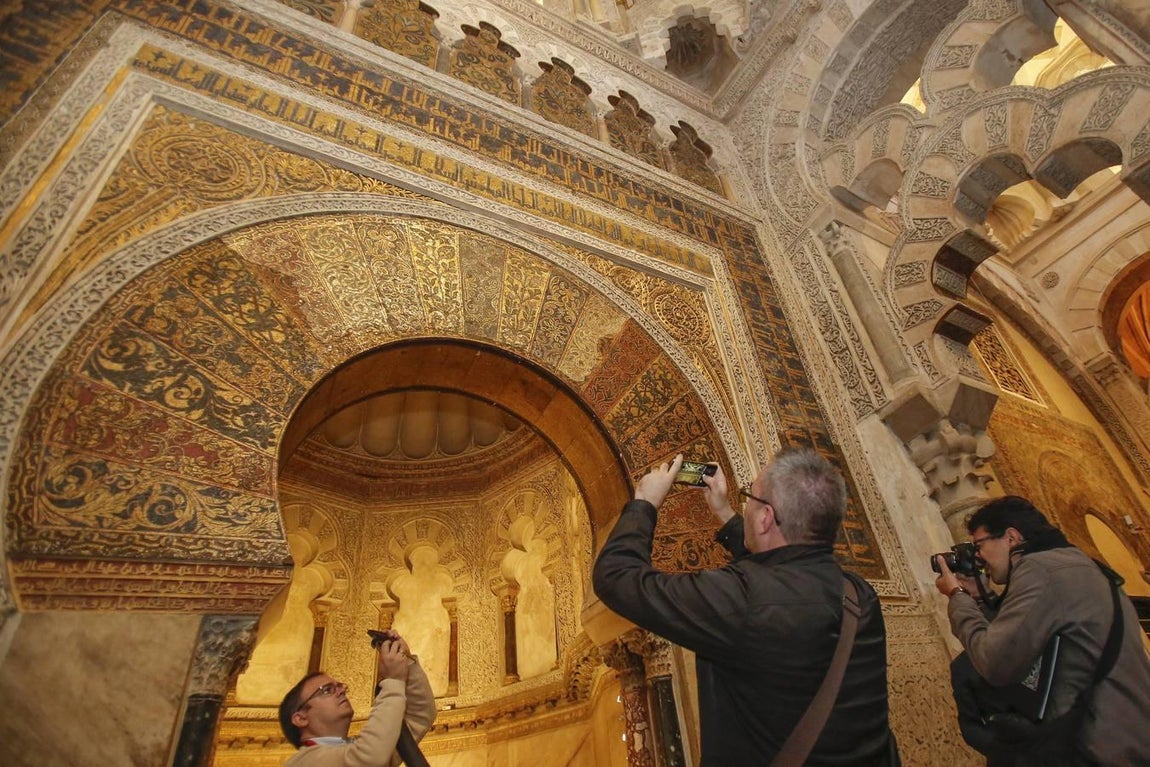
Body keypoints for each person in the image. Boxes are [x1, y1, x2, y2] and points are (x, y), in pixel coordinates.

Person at [592, 450, 897, 766]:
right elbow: (779, 571)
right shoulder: (860, 595)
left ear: (765, 518)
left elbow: (615, 576)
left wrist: (645, 502)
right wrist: (724, 512)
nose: (746, 504)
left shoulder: (740, 600)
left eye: (749, 496)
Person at [934, 495, 1150, 766]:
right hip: (1129, 731)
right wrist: (981, 597)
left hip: (1098, 745)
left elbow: (994, 662)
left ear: (1011, 537)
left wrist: (957, 595)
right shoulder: (1077, 564)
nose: (978, 556)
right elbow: (1029, 634)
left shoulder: (1039, 569)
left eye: (980, 544)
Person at [278, 630, 436, 766]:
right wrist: (393, 680)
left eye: (339, 686)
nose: (340, 692)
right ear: (300, 718)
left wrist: (405, 661)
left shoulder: (351, 751)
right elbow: (371, 756)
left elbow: (419, 716)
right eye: (326, 691)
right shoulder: (304, 762)